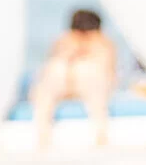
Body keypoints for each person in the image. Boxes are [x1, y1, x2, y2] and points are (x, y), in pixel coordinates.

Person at [29, 8, 117, 150]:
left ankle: (43, 138)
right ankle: (101, 137)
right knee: (98, 106)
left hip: (59, 70)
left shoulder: (64, 39)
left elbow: (48, 63)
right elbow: (110, 71)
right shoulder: (102, 41)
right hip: (89, 73)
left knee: (43, 101)